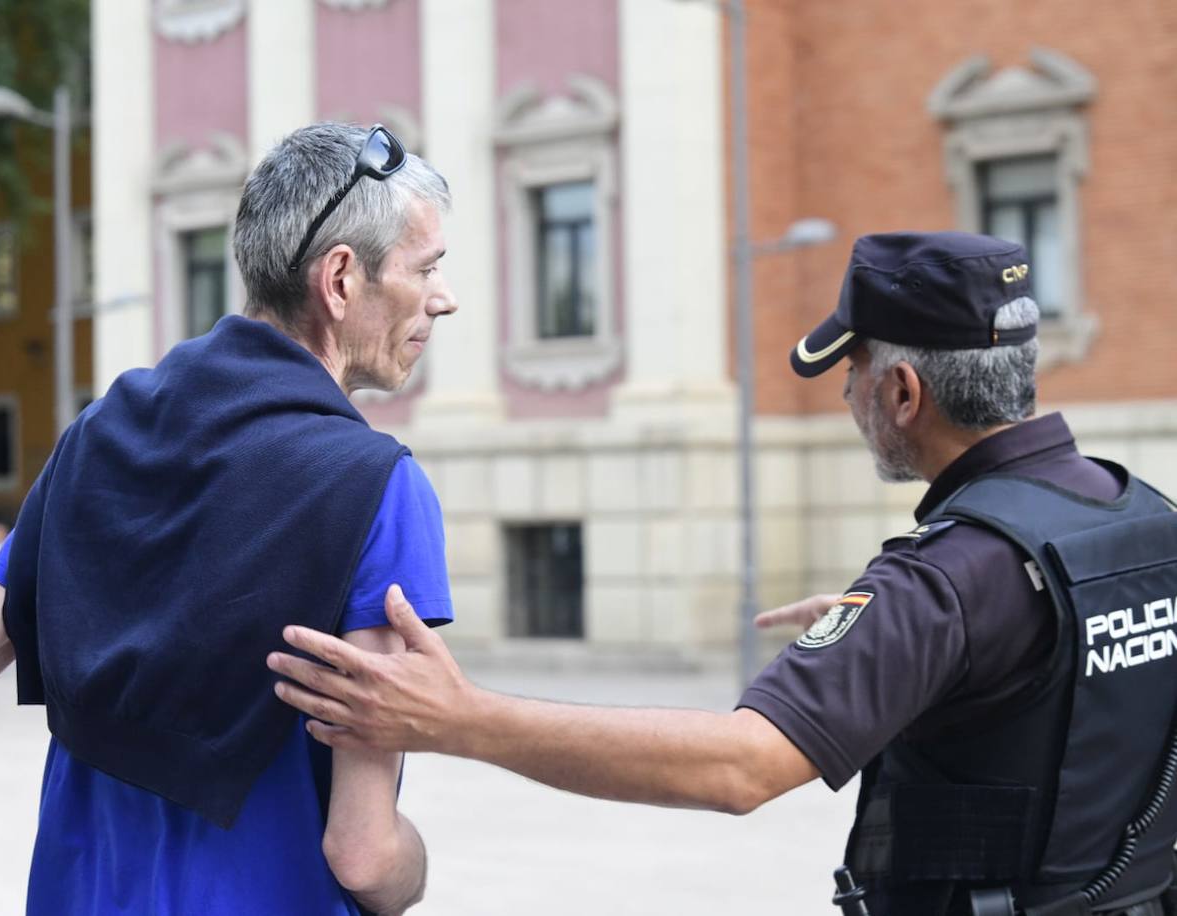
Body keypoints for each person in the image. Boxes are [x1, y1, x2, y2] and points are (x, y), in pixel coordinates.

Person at [269, 232, 1177, 915]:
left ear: (905, 394)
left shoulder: (946, 583)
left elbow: (740, 769)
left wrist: (464, 719)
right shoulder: (1141, 517)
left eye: (855, 370)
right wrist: (949, 651)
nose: (848, 394)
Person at [0, 122, 458, 915]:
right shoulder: (377, 489)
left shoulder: (99, 439)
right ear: (339, 280)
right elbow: (362, 854)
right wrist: (417, 864)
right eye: (426, 268)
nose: (444, 296)